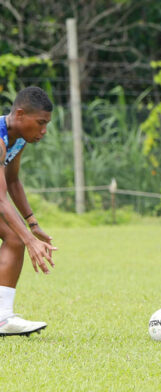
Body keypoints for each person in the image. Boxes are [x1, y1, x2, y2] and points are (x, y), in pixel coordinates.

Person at [0, 87, 57, 337]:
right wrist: (29, 240)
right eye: (41, 123)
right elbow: (0, 199)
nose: (44, 130)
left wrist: (32, 225)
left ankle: (2, 318)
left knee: (14, 239)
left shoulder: (19, 139)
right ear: (20, 114)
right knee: (18, 238)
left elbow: (12, 182)